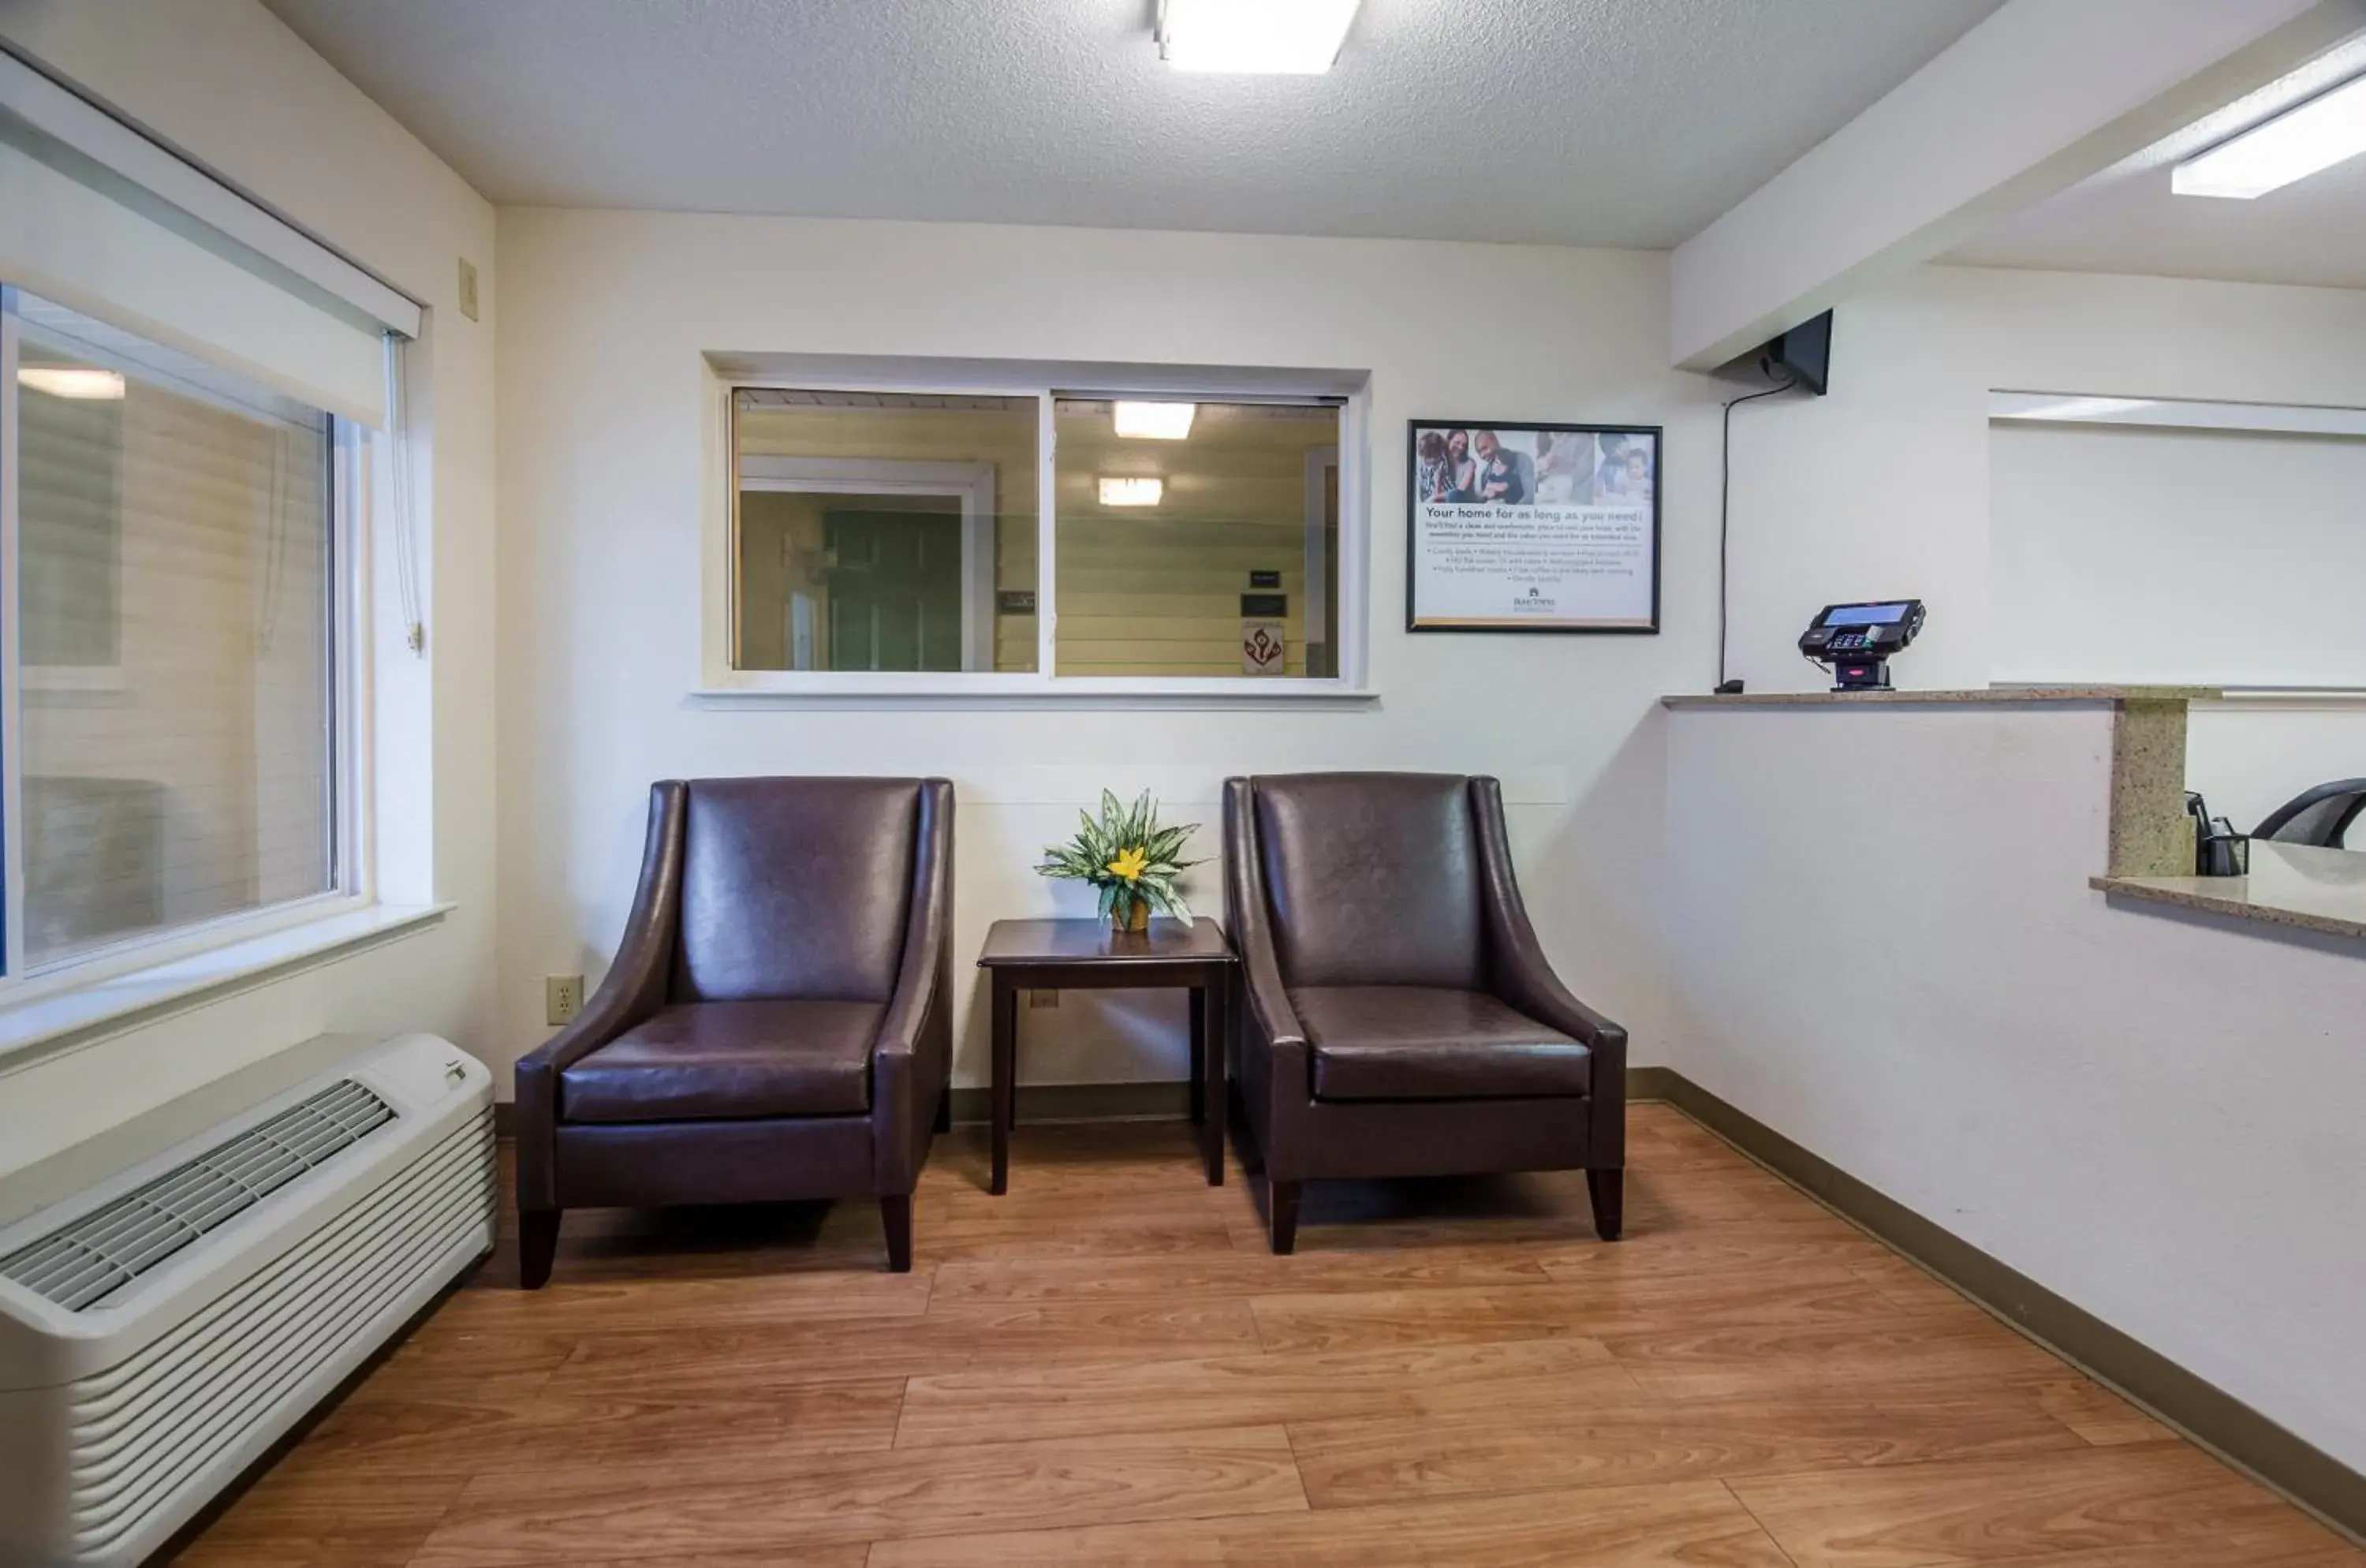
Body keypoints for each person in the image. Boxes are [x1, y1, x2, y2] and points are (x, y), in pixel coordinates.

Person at [1471, 429, 1531, 505]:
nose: (1482, 455)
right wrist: (1484, 497)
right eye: (1479, 452)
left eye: (1485, 448)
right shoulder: (1486, 474)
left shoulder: (1522, 460)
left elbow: (1530, 497)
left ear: (1495, 441)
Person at [1533, 431, 1592, 506]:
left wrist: (1561, 463)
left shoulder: (1581, 438)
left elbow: (1585, 468)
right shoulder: (1545, 438)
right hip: (1552, 490)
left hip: (1576, 496)